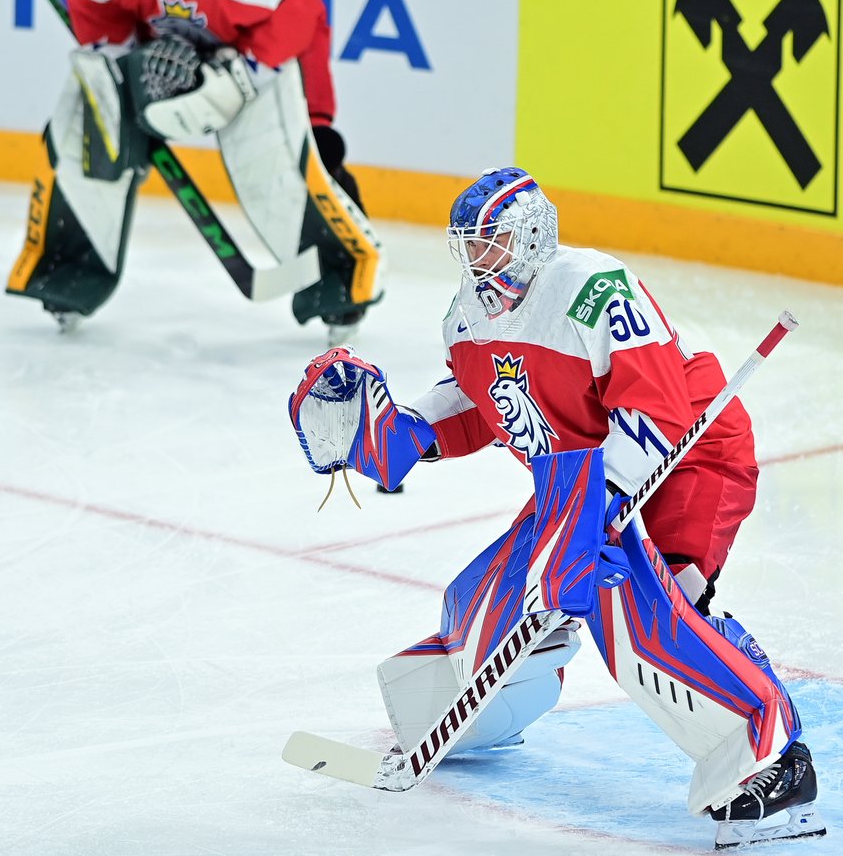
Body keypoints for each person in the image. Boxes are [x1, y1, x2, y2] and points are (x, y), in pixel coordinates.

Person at [287, 166, 825, 849]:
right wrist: (400, 431)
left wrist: (595, 515)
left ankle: (771, 765)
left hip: (687, 456)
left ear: (532, 237)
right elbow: (474, 401)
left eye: (492, 243)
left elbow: (654, 410)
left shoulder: (594, 288)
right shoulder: (467, 316)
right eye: (469, 245)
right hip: (581, 475)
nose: (478, 259)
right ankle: (475, 719)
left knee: (641, 604)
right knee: (491, 601)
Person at [7, 0, 383, 339]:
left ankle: (342, 283)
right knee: (83, 123)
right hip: (154, 55)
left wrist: (243, 78)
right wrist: (122, 76)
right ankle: (69, 274)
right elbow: (94, 6)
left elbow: (302, 17)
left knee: (281, 161)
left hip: (253, 56)